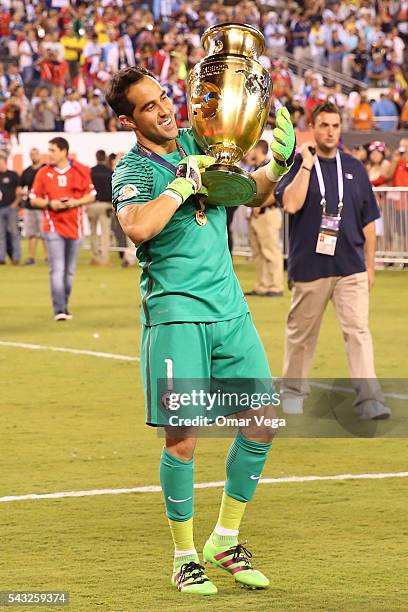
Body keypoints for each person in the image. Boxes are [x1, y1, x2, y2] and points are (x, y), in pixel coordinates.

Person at [105, 66, 296, 596]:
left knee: (261, 422)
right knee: (185, 440)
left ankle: (225, 539)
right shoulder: (132, 170)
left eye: (164, 97)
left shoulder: (203, 140)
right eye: (149, 106)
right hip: (176, 316)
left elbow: (249, 193)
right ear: (128, 120)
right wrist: (180, 185)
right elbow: (138, 226)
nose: (165, 109)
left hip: (230, 311)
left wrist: (276, 166)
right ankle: (184, 556)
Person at [275, 102, 390, 421]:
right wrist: (307, 165)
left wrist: (370, 265)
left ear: (341, 128)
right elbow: (291, 205)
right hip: (310, 268)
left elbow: (369, 221)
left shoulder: (354, 167)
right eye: (324, 125)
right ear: (313, 127)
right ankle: (293, 394)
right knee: (301, 335)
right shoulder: (297, 165)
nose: (330, 131)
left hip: (351, 268)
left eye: (335, 126)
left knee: (359, 332)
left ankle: (370, 400)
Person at [29, 137, 96, 321]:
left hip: (75, 227)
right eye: (48, 150)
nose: (48, 154)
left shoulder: (80, 170)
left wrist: (76, 202)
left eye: (52, 150)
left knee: (69, 272)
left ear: (64, 151)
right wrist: (50, 204)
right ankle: (60, 309)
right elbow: (33, 198)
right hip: (52, 227)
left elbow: (91, 195)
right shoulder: (43, 173)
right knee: (57, 269)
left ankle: (64, 303)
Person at [244, 140, 284, 297]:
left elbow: (276, 192)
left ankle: (276, 285)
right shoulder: (255, 167)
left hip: (267, 213)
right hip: (255, 216)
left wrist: (259, 205)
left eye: (251, 148)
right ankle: (262, 285)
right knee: (258, 252)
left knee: (271, 251)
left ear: (258, 149)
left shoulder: (270, 167)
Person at [21, 147, 46, 265]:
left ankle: (48, 257)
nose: (33, 156)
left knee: (45, 234)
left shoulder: (45, 169)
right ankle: (31, 257)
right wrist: (25, 193)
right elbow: (20, 188)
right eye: (31, 154)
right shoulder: (27, 171)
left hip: (43, 206)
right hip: (30, 206)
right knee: (31, 233)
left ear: (39, 155)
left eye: (35, 154)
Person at [88, 149, 113, 265]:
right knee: (105, 232)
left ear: (96, 157)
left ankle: (94, 256)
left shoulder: (90, 172)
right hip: (105, 205)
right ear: (105, 157)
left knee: (92, 231)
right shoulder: (110, 172)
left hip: (92, 204)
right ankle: (104, 258)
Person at [0, 151, 22, 265]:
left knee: (14, 233)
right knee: (1, 234)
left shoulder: (13, 175)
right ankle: (1, 258)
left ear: (5, 161)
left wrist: (15, 204)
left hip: (11, 207)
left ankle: (16, 258)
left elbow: (19, 191)